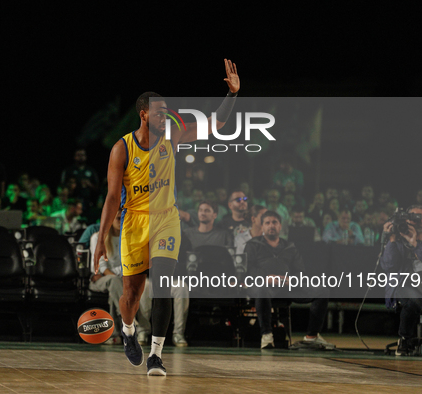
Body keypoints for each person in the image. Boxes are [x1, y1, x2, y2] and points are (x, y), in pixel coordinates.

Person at [93, 59, 239, 376]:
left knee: (163, 284)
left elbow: (216, 124)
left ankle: (156, 355)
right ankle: (128, 331)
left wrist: (232, 95)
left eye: (166, 112)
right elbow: (110, 198)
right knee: (131, 294)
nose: (165, 116)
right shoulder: (122, 149)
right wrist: (102, 239)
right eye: (159, 112)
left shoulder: (172, 137)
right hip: (134, 222)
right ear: (143, 114)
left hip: (166, 220)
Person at [244, 211, 331, 349]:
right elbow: (249, 269)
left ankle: (311, 337)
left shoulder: (290, 246)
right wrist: (266, 278)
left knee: (322, 291)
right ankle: (266, 335)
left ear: (280, 226)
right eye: (267, 223)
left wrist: (291, 280)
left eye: (274, 222)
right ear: (262, 227)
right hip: (263, 285)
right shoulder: (253, 245)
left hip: (286, 286)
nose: (271, 226)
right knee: (262, 289)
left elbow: (300, 271)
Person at [381, 204, 422, 356]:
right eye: (415, 217)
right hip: (404, 284)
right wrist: (391, 240)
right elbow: (389, 266)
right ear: (407, 220)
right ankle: (405, 339)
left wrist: (416, 245)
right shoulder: (396, 241)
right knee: (414, 299)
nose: (420, 221)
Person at [89, 210, 124, 345]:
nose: (120, 219)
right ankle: (128, 319)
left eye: (122, 217)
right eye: (117, 217)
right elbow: (101, 268)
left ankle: (114, 335)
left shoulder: (128, 237)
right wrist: (120, 278)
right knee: (114, 282)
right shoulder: (97, 238)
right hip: (99, 279)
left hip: (118, 282)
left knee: (114, 290)